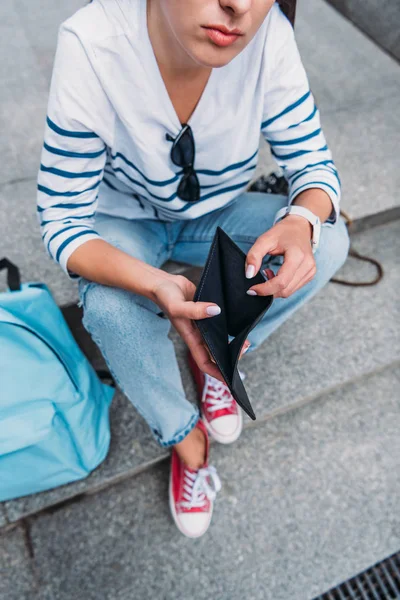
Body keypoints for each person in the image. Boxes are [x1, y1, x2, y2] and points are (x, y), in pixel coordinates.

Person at [36, 0, 350, 538]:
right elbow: (62, 219)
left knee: (331, 241)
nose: (239, 7)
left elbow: (313, 163)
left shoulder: (269, 33)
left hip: (219, 212)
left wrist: (301, 220)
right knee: (110, 305)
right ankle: (185, 436)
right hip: (125, 218)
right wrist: (153, 282)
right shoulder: (94, 41)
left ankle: (220, 359)